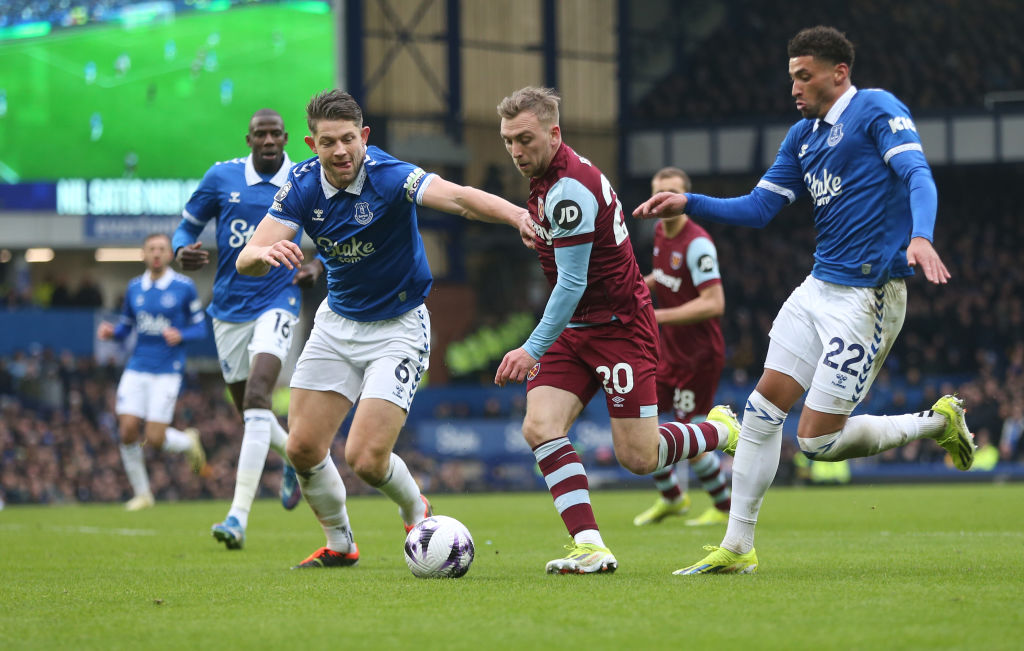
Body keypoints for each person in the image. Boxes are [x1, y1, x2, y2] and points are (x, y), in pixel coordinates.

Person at [634, 26, 975, 575]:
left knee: (816, 443)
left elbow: (917, 173)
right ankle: (737, 548)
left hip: (868, 299)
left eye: (804, 75)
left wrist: (921, 235)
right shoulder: (802, 137)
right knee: (762, 410)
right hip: (816, 289)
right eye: (791, 76)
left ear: (838, 72)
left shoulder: (876, 110)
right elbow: (758, 208)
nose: (794, 86)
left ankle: (937, 423)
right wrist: (689, 200)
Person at [235, 89, 533, 569]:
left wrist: (517, 214)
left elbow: (456, 198)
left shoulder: (390, 175)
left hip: (398, 327)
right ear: (312, 143)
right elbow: (249, 255)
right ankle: (340, 543)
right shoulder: (301, 184)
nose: (341, 151)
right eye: (329, 142)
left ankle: (417, 511)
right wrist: (261, 255)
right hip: (337, 323)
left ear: (364, 136)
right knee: (302, 447)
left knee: (367, 459)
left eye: (349, 139)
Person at [493, 86, 740, 575]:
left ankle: (721, 429)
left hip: (619, 329)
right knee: (540, 426)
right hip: (576, 329)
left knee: (640, 458)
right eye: (507, 141)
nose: (516, 151)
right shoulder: (548, 179)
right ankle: (590, 545)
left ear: (553, 132)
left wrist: (530, 347)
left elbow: (571, 283)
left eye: (525, 139)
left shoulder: (569, 190)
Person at [173, 109, 322, 551]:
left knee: (259, 397)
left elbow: (336, 232)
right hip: (228, 309)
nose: (270, 139)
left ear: (286, 137)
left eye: (276, 133)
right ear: (249, 138)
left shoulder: (305, 178)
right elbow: (187, 227)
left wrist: (315, 264)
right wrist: (182, 249)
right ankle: (294, 455)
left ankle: (237, 517)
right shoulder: (221, 178)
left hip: (278, 301)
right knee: (250, 413)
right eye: (262, 133)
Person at [632, 167, 732, 528]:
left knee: (689, 432)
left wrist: (656, 317)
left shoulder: (698, 243)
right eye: (658, 194)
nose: (664, 201)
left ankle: (724, 505)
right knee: (640, 425)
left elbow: (714, 303)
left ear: (685, 197)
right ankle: (673, 498)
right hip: (668, 353)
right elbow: (665, 275)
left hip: (698, 357)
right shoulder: (660, 231)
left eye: (671, 192)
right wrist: (638, 289)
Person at [97, 233, 208, 511]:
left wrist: (180, 334)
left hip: (167, 370)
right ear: (143, 255)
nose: (156, 254)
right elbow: (126, 327)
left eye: (161, 249)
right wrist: (112, 332)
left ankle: (186, 441)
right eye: (151, 249)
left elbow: (200, 328)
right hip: (137, 366)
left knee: (155, 439)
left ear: (170, 255)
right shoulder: (134, 288)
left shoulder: (184, 287)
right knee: (127, 430)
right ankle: (143, 494)